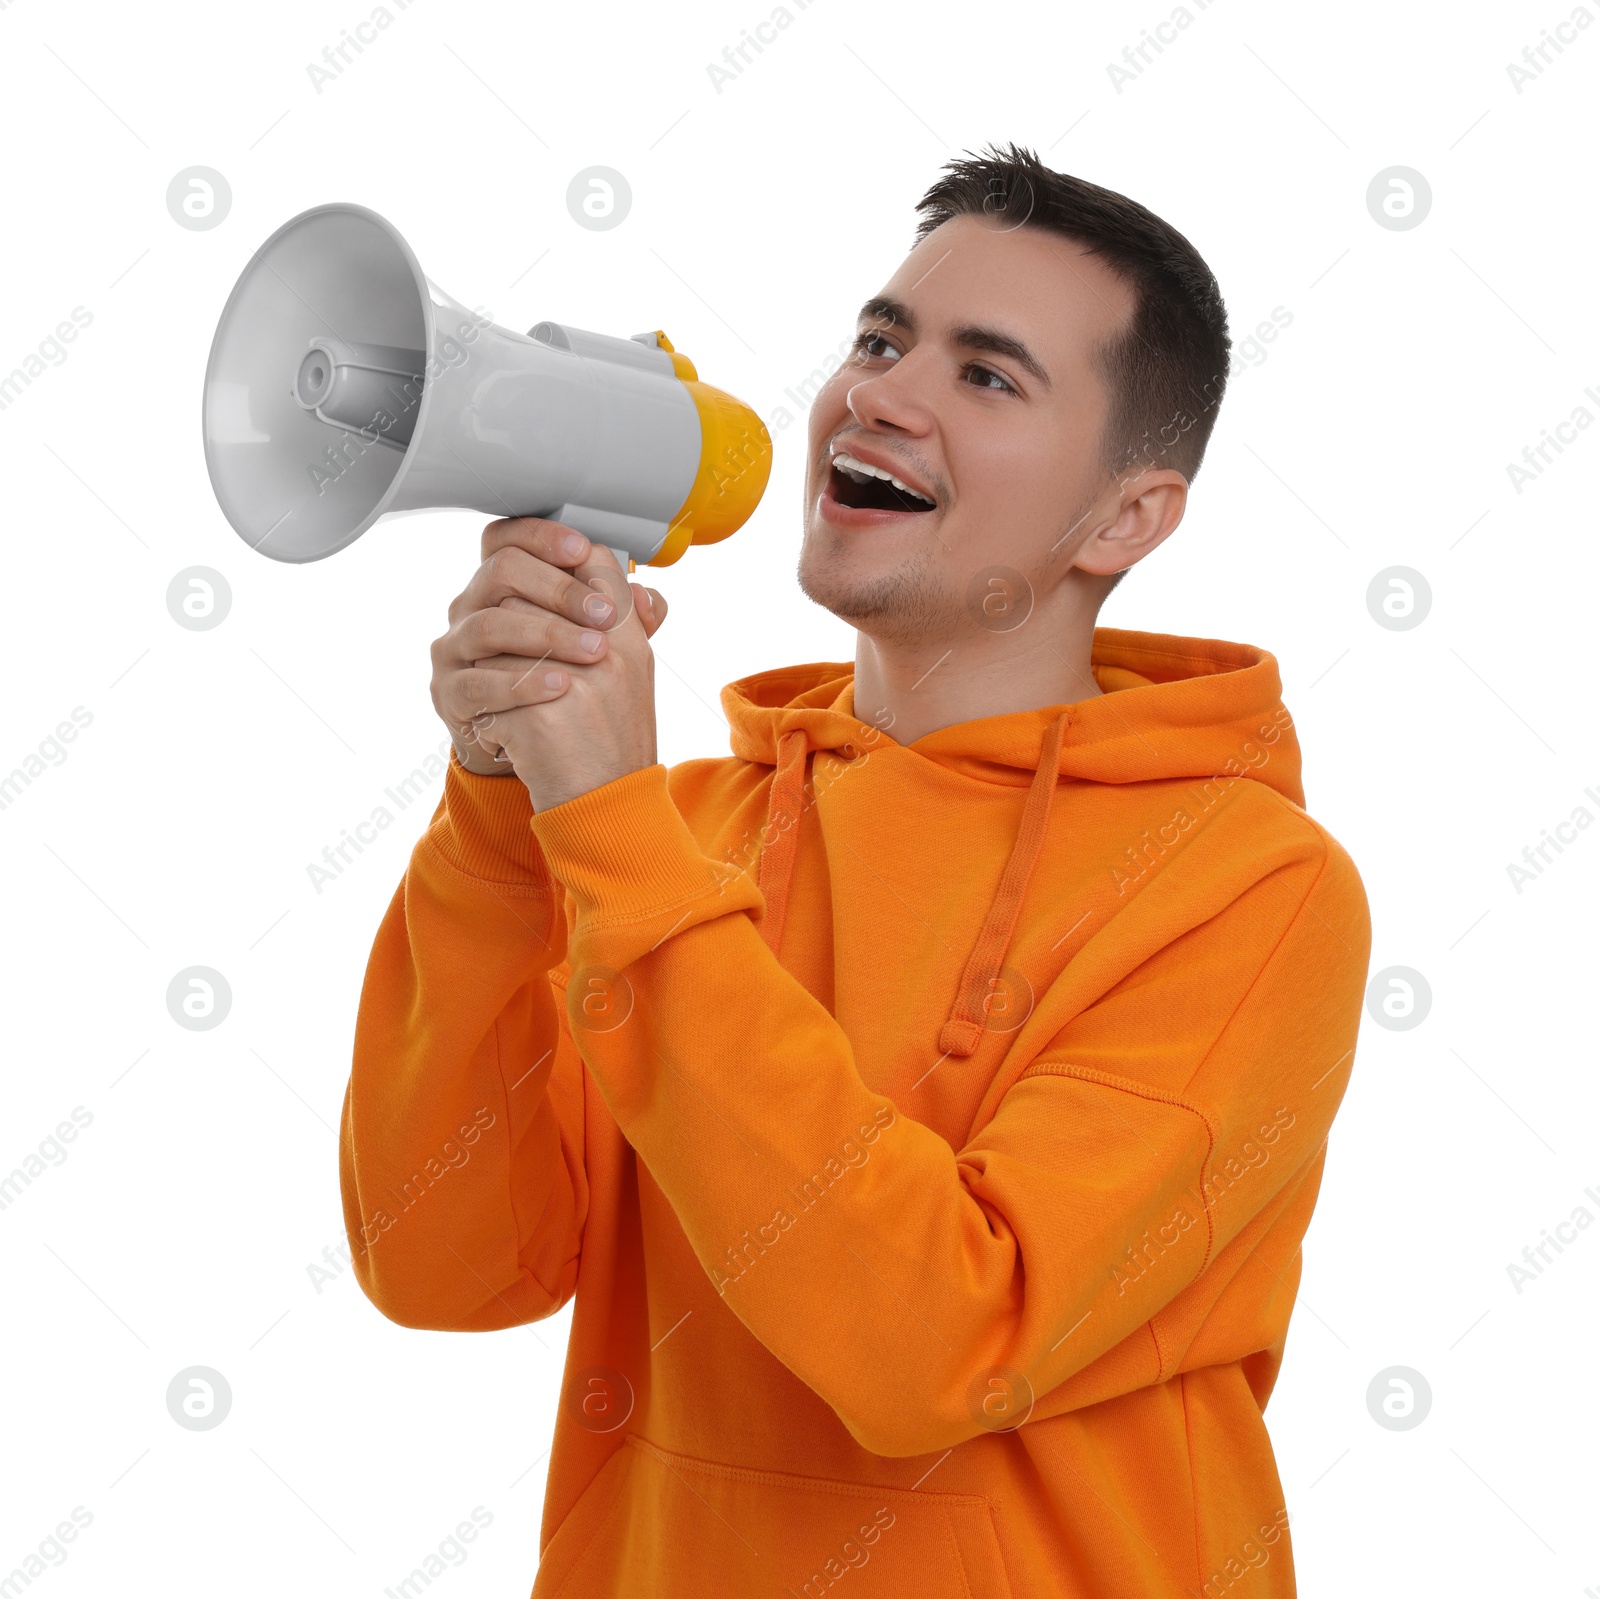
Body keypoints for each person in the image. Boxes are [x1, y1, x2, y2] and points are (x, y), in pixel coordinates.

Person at [338, 141, 1371, 1599]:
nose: (880, 393)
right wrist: (505, 812)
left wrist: (615, 837)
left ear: (1127, 516)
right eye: (882, 340)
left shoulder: (1252, 888)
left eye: (987, 374)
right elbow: (443, 1265)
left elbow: (943, 1344)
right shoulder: (671, 832)